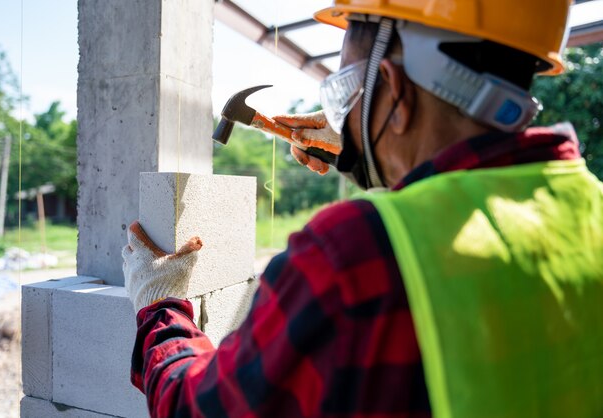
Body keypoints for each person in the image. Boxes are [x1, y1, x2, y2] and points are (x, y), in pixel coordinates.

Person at [122, 0, 603, 417]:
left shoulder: (354, 256)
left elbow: (203, 409)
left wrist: (158, 303)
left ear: (393, 87)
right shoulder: (589, 205)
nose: (341, 117)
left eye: (345, 97)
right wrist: (366, 144)